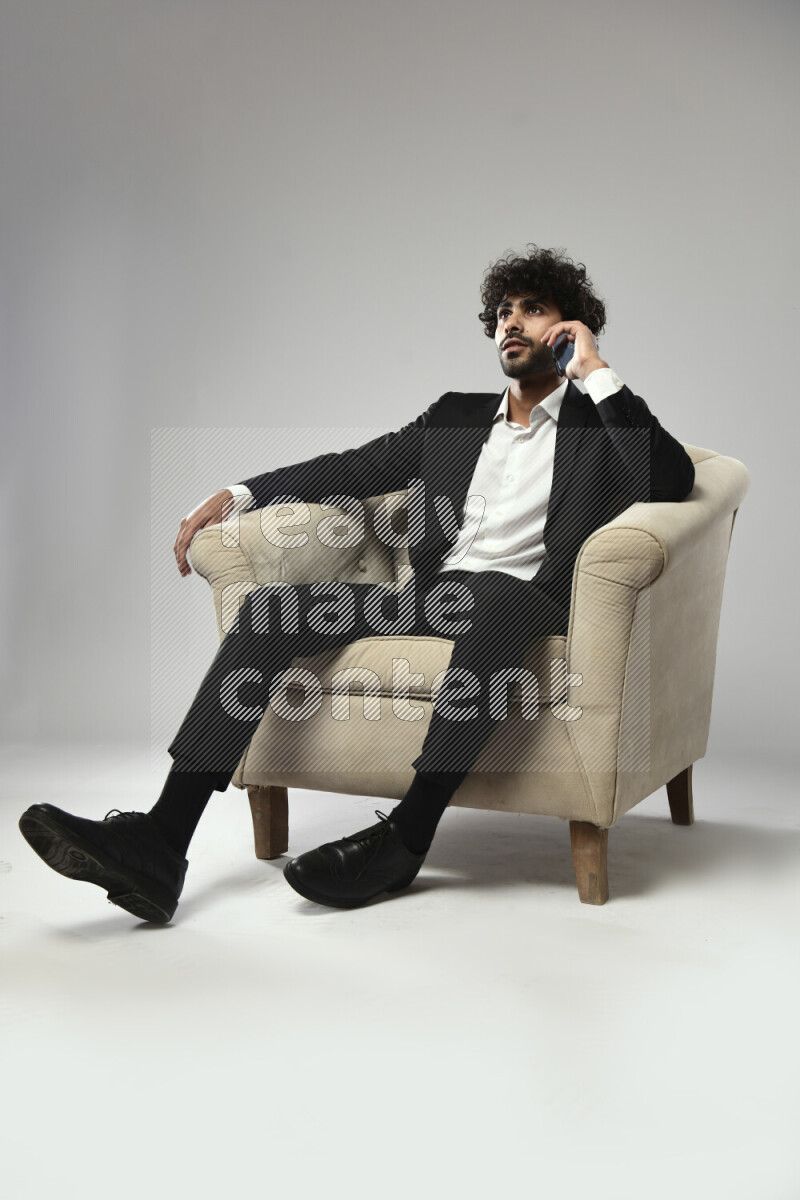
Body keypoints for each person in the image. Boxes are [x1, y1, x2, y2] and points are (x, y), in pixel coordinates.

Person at [18, 246, 695, 922]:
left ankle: (408, 834)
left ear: (569, 327)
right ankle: (162, 840)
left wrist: (596, 371)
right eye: (504, 312)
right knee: (270, 612)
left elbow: (670, 481)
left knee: (490, 597)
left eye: (534, 310)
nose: (512, 323)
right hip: (437, 601)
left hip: (528, 604)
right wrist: (237, 493)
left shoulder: (602, 424)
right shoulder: (455, 418)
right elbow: (352, 469)